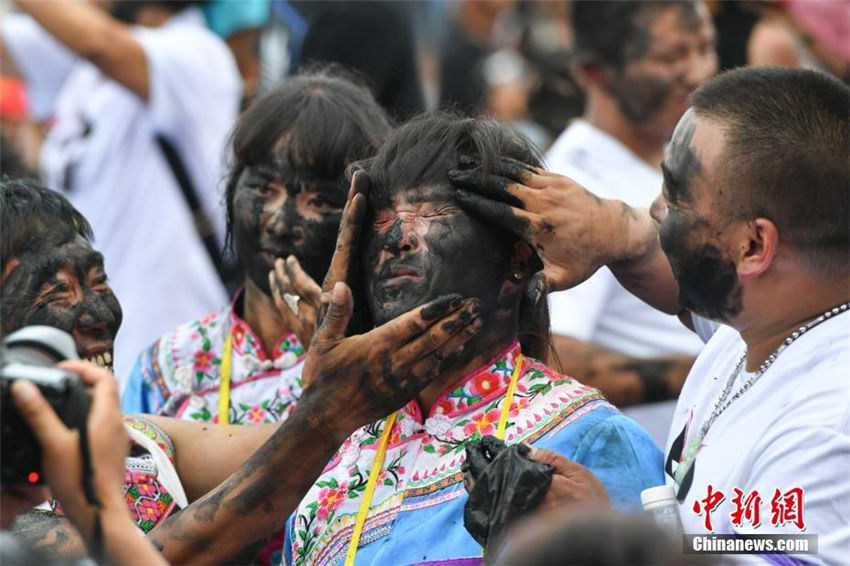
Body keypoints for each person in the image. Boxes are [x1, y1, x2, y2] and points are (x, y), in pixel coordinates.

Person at [450, 66, 849, 564]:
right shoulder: (770, 318)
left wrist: (602, 535)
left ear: (753, 246)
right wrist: (608, 228)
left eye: (676, 194)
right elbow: (663, 267)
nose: (655, 208)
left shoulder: (828, 423)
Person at [0, 176, 483, 564]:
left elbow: (308, 451)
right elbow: (189, 548)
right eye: (55, 293)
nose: (96, 315)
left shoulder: (141, 444)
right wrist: (326, 414)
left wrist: (349, 372)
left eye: (97, 280)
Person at [282, 113, 664, 565]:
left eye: (432, 215)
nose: (399, 239)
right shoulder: (339, 450)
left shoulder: (589, 438)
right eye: (382, 222)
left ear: (517, 260)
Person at [121, 70, 392, 424]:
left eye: (319, 202)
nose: (281, 225)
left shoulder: (384, 365)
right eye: (265, 191)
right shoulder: (167, 368)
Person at [0, 0, 241, 379]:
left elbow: (100, 43)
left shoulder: (197, 53)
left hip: (176, 354)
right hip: (95, 342)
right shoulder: (79, 69)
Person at [543, 1, 716, 407]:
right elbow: (551, 356)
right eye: (671, 57)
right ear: (595, 73)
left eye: (706, 47)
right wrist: (729, 366)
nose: (699, 71)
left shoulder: (689, 154)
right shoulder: (575, 184)